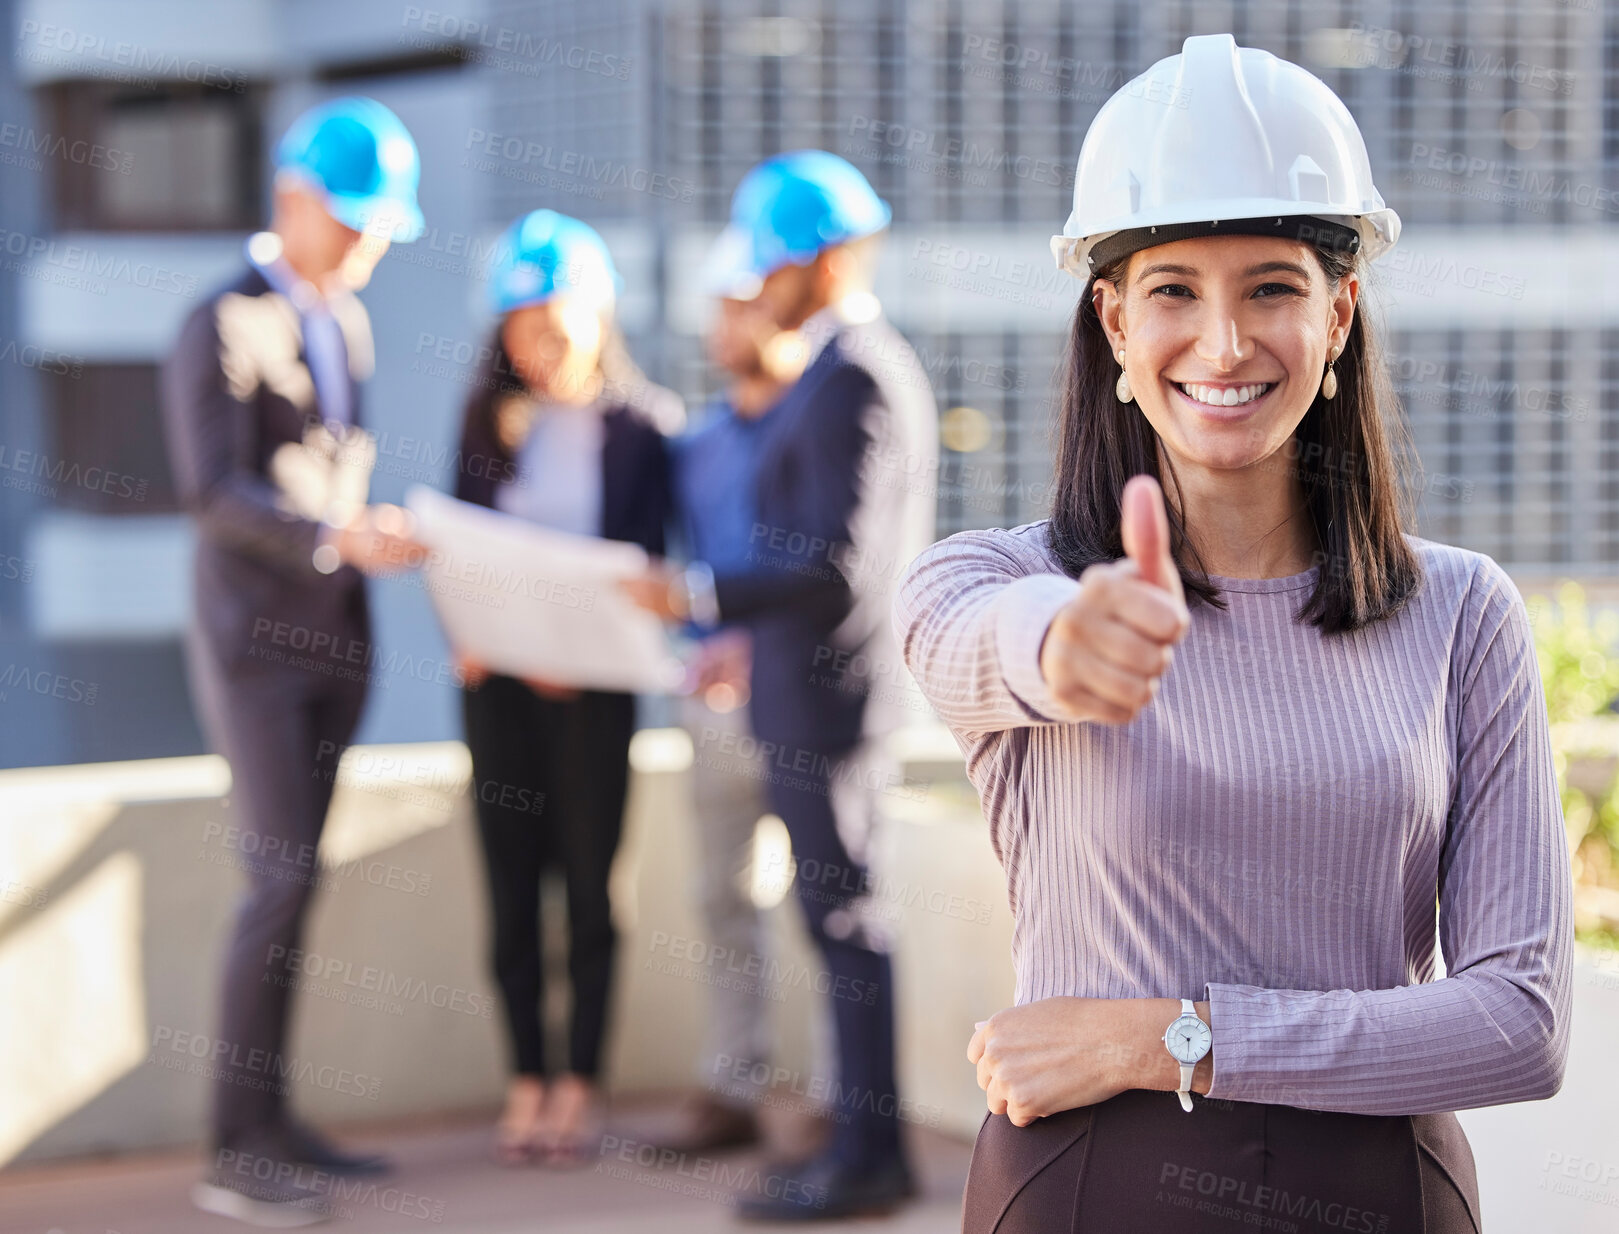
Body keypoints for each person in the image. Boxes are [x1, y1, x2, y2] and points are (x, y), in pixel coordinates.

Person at [893, 34, 1572, 1233]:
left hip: (1380, 1194)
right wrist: (1068, 643)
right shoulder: (998, 577)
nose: (1220, 344)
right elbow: (978, 641)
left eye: (1269, 286)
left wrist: (1173, 1037)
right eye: (1171, 291)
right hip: (1091, 1190)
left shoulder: (1462, 613)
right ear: (1110, 323)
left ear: (1337, 315)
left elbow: (1519, 1022)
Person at [626, 150, 939, 1219]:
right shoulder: (829, 365)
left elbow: (838, 566)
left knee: (848, 925)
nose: (760, 285)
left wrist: (699, 590)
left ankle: (870, 1159)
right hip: (803, 696)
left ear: (832, 257)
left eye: (777, 264)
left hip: (831, 701)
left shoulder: (856, 371)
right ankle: (858, 1147)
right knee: (834, 921)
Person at [162, 97, 428, 1227]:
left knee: (298, 880)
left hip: (335, 645)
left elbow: (334, 469)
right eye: (358, 220)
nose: (372, 244)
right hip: (257, 653)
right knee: (273, 880)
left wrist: (367, 531)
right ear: (294, 202)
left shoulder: (346, 323)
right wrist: (334, 535)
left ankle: (274, 1121)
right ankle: (235, 1148)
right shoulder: (218, 320)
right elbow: (211, 493)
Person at [448, 209, 677, 1166]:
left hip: (592, 695)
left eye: (554, 321)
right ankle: (525, 1081)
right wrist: (470, 629)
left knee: (590, 892)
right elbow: (458, 540)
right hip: (497, 690)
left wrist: (578, 643)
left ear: (597, 317)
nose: (536, 344)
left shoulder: (642, 430)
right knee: (509, 890)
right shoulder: (483, 417)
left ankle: (578, 1084)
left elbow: (652, 568)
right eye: (519, 324)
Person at [655, 227, 796, 1153]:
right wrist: (694, 647)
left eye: (739, 307)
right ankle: (730, 1089)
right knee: (720, 897)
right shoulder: (694, 442)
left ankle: (840, 1104)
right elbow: (672, 566)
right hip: (709, 707)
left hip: (802, 696)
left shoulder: (815, 428)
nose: (723, 327)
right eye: (717, 309)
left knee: (828, 901)